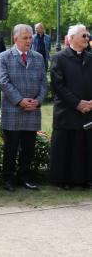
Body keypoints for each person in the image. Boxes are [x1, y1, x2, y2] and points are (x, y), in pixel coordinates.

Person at [0, 24, 47, 191]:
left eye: (30, 37)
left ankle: (25, 177)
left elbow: (44, 83)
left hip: (32, 110)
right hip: (13, 110)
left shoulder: (38, 57)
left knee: (28, 148)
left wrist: (37, 101)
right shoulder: (3, 57)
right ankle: (8, 179)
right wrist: (19, 100)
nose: (29, 41)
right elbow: (3, 82)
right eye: (25, 38)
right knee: (11, 148)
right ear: (15, 38)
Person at [50, 24, 92, 189]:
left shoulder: (90, 58)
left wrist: (90, 103)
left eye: (87, 35)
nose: (87, 38)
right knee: (66, 146)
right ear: (72, 37)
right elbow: (58, 86)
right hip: (67, 111)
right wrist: (77, 103)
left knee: (84, 145)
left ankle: (85, 179)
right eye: (83, 35)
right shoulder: (59, 58)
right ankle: (64, 180)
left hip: (88, 111)